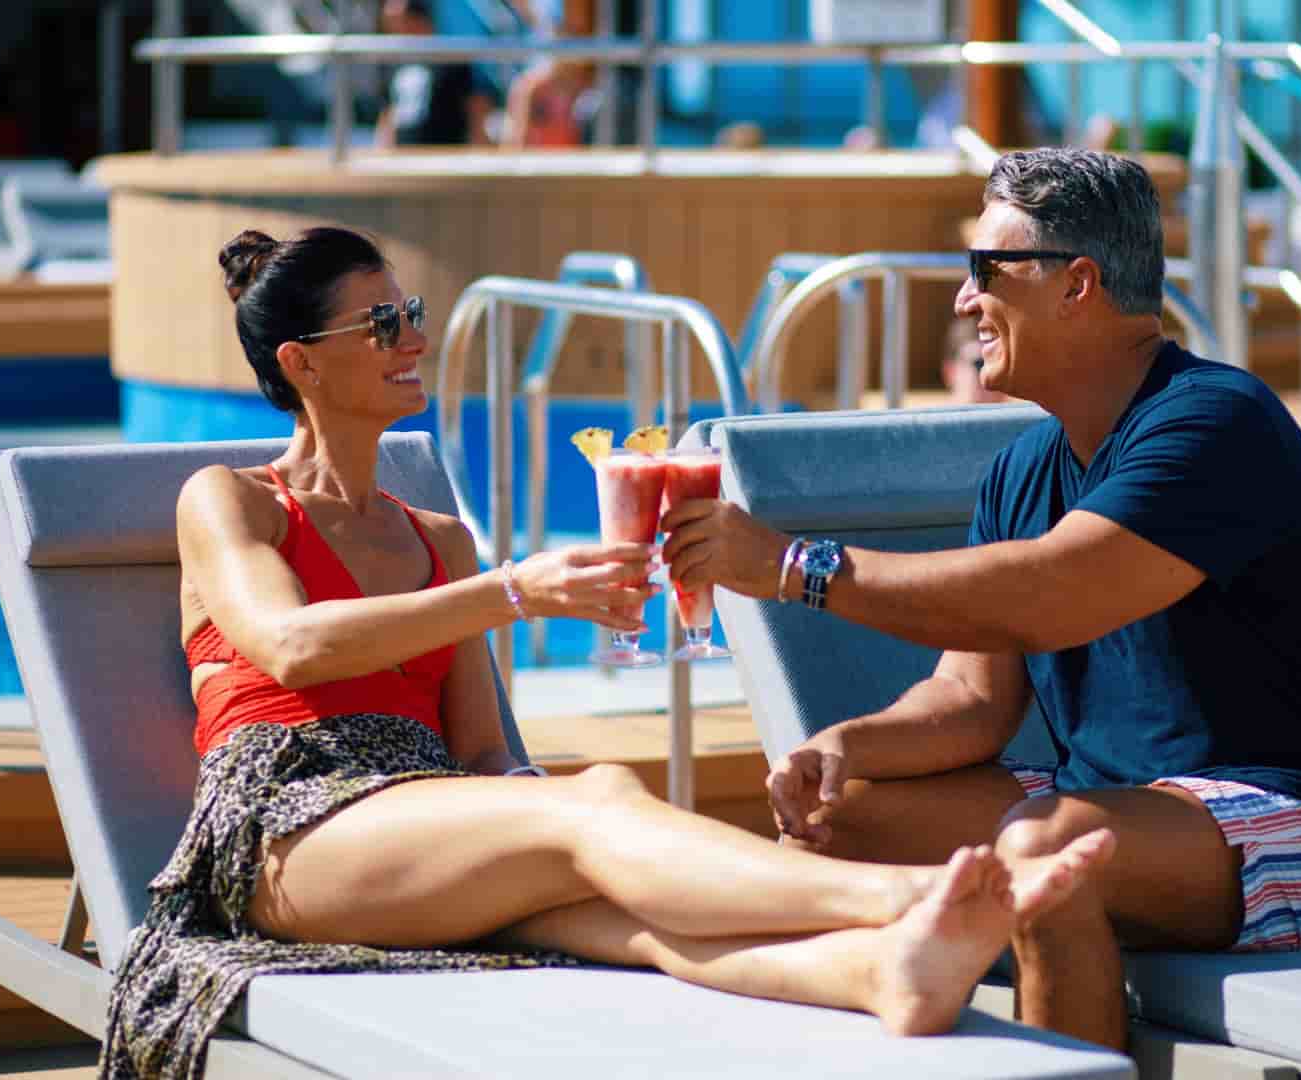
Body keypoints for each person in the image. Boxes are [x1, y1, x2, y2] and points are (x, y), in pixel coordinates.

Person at [98, 224, 1115, 1078]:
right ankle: (907, 895)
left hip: (417, 826)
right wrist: (516, 594)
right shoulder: (231, 501)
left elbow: (483, 751)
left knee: (626, 917)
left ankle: (880, 970)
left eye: (413, 315)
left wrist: (527, 794)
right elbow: (292, 647)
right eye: (383, 324)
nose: (414, 337)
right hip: (282, 827)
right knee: (601, 800)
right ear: (302, 362)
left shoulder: (435, 540)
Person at [662, 147, 1301, 1053]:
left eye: (986, 270)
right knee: (840, 820)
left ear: (1077, 285)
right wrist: (843, 745)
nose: (962, 300)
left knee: (1044, 853)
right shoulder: (1023, 469)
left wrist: (798, 566)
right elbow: (971, 701)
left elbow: (1051, 599)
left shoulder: (1218, 423)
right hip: (1128, 804)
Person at [373, 0, 498, 148]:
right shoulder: (395, 66)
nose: (394, 32)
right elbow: (388, 116)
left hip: (444, 158)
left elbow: (476, 109)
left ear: (419, 20)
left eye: (400, 23)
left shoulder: (451, 61)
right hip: (403, 160)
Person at [501, 58, 592, 147]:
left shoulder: (583, 86)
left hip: (567, 156)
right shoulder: (532, 87)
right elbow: (518, 134)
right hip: (537, 156)